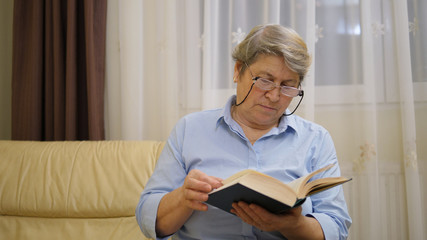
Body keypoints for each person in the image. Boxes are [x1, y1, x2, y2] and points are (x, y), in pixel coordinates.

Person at [136, 24, 351, 239]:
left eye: (287, 86)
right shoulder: (189, 130)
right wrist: (183, 198)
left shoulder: (316, 139)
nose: (274, 96)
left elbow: (337, 228)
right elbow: (149, 220)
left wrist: (294, 225)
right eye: (265, 80)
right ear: (238, 70)